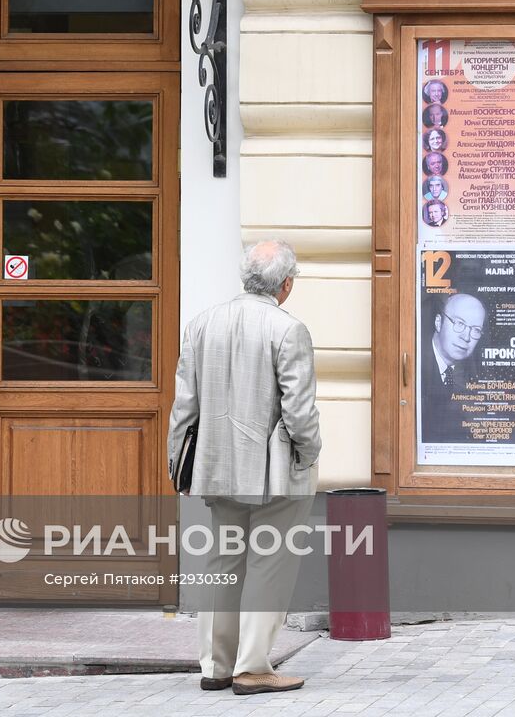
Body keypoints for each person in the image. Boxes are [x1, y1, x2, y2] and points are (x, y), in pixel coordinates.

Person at [168, 241, 320, 697]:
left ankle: (216, 666)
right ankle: (252, 668)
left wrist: (178, 463)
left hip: (215, 463)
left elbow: (184, 406)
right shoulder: (288, 329)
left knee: (223, 562)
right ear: (286, 284)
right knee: (270, 564)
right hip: (275, 469)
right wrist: (310, 454)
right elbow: (299, 411)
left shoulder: (201, 324)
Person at [421, 293, 487, 444]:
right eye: (459, 323)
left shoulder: (473, 375)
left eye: (476, 330)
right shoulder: (417, 365)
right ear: (438, 323)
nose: (466, 337)